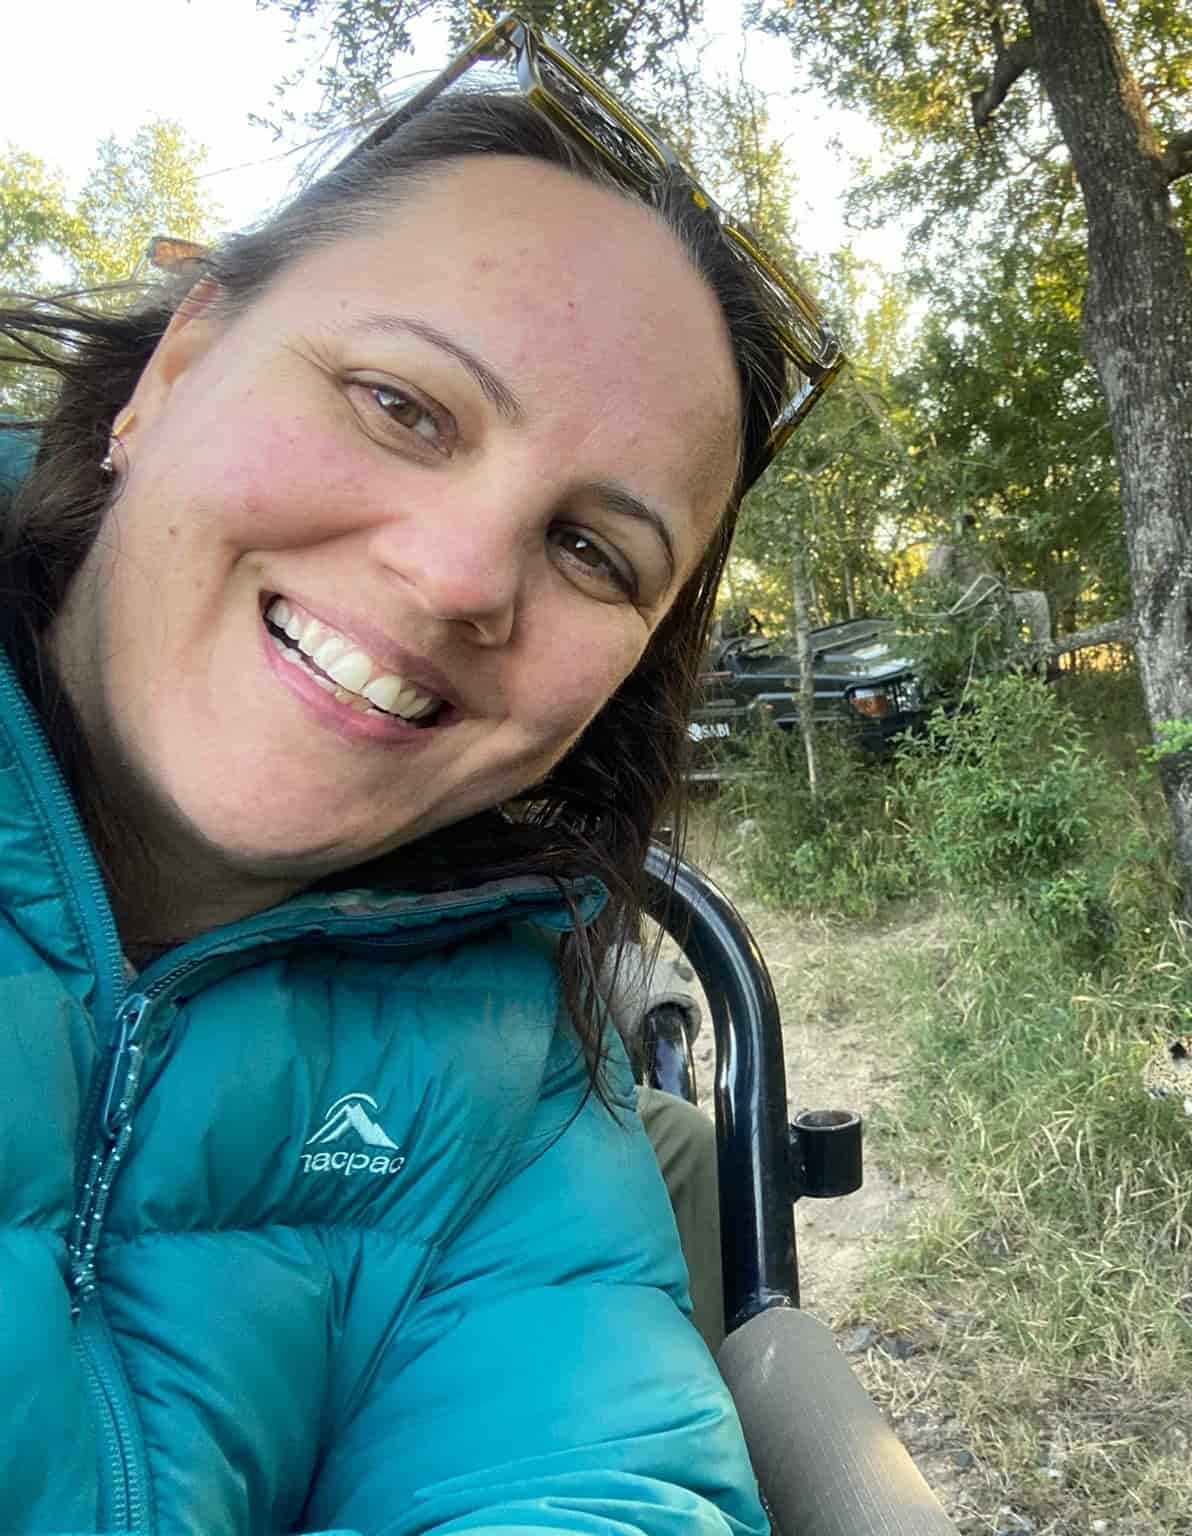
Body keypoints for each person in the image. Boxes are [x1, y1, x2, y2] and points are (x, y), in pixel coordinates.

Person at [0, 14, 840, 1535]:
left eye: (592, 549)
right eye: (401, 404)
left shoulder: (507, 1065)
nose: (461, 575)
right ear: (173, 371)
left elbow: (590, 1478)